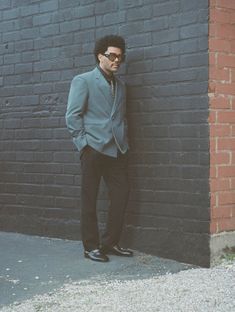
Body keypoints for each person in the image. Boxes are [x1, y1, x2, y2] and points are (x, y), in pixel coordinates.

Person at [65, 35, 133, 262]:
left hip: (116, 150)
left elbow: (120, 116)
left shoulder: (121, 85)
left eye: (120, 57)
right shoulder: (83, 80)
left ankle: (110, 242)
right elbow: (72, 116)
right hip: (93, 149)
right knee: (90, 198)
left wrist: (124, 142)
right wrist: (83, 145)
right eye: (112, 56)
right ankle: (91, 247)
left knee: (121, 195)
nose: (116, 61)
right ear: (99, 56)